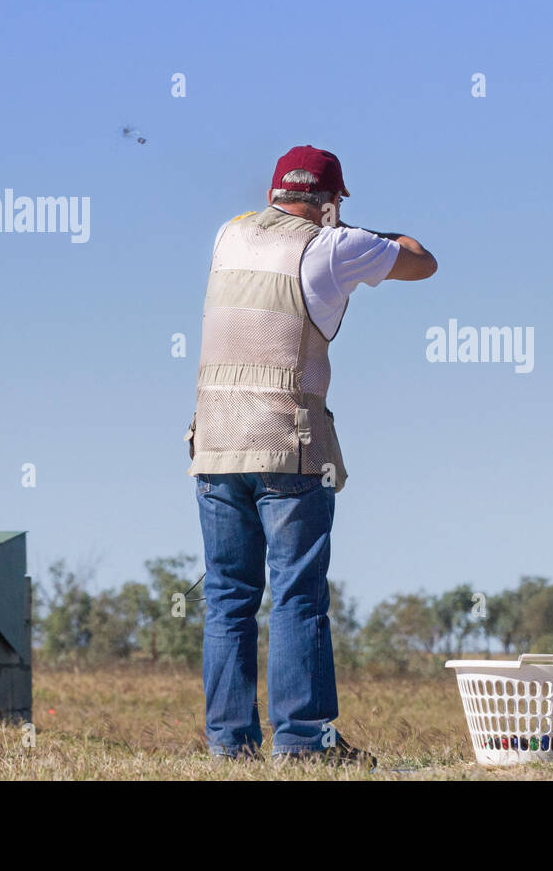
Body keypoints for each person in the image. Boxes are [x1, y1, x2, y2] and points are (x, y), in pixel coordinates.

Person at [185, 145, 437, 764]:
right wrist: (354, 228)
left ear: (274, 194)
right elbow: (422, 261)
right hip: (288, 447)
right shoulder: (332, 245)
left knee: (228, 596)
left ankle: (229, 745)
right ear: (330, 202)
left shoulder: (229, 236)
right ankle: (303, 742)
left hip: (215, 445)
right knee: (297, 595)